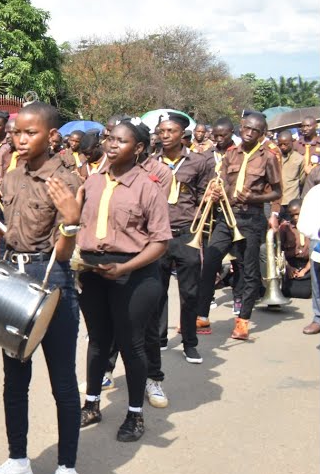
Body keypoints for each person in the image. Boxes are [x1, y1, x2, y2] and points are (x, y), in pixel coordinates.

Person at [0, 100, 85, 474]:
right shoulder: (11, 176)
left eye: (30, 133)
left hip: (51, 278)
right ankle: (18, 460)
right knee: (15, 379)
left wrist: (71, 222)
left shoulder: (66, 180)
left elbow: (64, 252)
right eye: (16, 132)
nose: (20, 139)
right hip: (14, 277)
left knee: (62, 382)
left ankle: (66, 469)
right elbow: (12, 234)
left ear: (51, 136)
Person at [77, 117, 171, 442]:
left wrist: (125, 268)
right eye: (110, 139)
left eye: (121, 141)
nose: (112, 145)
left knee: (132, 344)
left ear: (139, 148)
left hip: (134, 273)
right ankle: (91, 404)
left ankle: (134, 414)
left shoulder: (147, 186)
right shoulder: (92, 182)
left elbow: (160, 242)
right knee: (98, 341)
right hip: (93, 272)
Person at [144, 112, 213, 408]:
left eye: (170, 130)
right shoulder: (151, 162)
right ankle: (159, 338)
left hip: (186, 232)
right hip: (159, 234)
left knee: (189, 292)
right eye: (161, 131)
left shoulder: (199, 161)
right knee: (156, 290)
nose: (165, 135)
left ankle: (190, 343)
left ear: (182, 133)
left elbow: (205, 195)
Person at [195, 112, 282, 341]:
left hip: (252, 219)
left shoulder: (269, 157)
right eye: (246, 128)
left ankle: (243, 321)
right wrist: (216, 192)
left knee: (249, 270)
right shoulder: (231, 154)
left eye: (255, 130)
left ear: (262, 133)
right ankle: (201, 316)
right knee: (210, 262)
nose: (249, 133)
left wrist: (255, 197)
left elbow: (277, 191)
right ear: (240, 128)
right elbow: (223, 182)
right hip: (227, 216)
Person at [296, 183, 320, 335]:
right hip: (317, 241)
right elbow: (303, 223)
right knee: (317, 282)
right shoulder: (315, 192)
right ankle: (318, 318)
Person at [278, 198, 313, 300]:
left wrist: (305, 270)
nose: (295, 217)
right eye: (292, 215)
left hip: (308, 265)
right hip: (290, 265)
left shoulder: (313, 227)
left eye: (298, 214)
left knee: (305, 292)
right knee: (287, 291)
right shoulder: (285, 228)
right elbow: (279, 251)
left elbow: (315, 252)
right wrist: (288, 267)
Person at [275, 131, 305, 222]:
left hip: (291, 201)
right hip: (276, 201)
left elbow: (302, 180)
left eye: (285, 144)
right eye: (280, 144)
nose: (282, 147)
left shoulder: (299, 159)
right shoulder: (274, 157)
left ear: (292, 142)